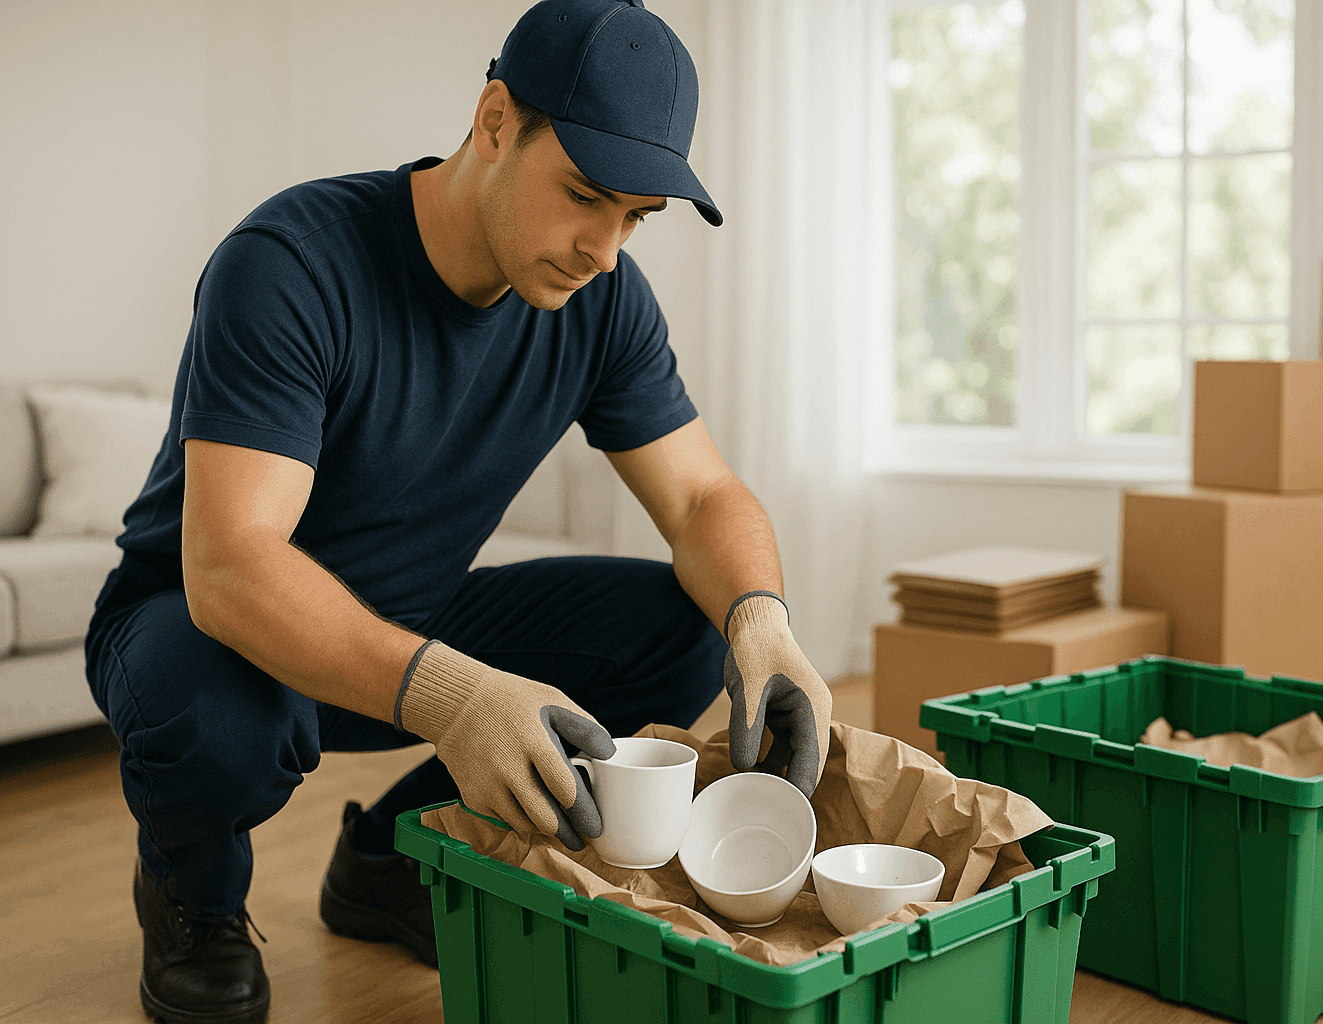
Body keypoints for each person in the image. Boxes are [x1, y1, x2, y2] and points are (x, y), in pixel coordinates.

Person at [82, 3, 833, 1022]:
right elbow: (231, 569)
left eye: (636, 218)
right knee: (223, 711)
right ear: (493, 121)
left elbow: (702, 494)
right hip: (203, 627)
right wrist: (452, 698)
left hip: (406, 620)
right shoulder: (293, 263)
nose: (605, 249)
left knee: (683, 627)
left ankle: (393, 862)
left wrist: (763, 621)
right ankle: (195, 899)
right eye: (584, 196)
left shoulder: (602, 302)